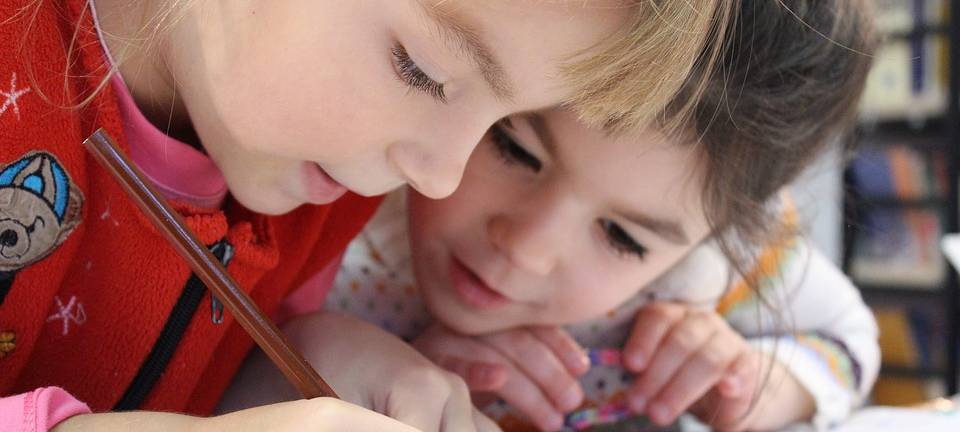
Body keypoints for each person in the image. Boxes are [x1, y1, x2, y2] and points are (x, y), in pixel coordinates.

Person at [0, 0, 735, 431]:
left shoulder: (322, 182)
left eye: (499, 122)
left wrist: (303, 372)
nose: (441, 176)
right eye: (424, 71)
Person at [258, 1, 878, 430]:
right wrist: (353, 364)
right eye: (514, 149)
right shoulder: (340, 185)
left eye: (622, 237)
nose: (526, 248)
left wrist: (758, 386)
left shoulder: (715, 269)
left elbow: (849, 339)